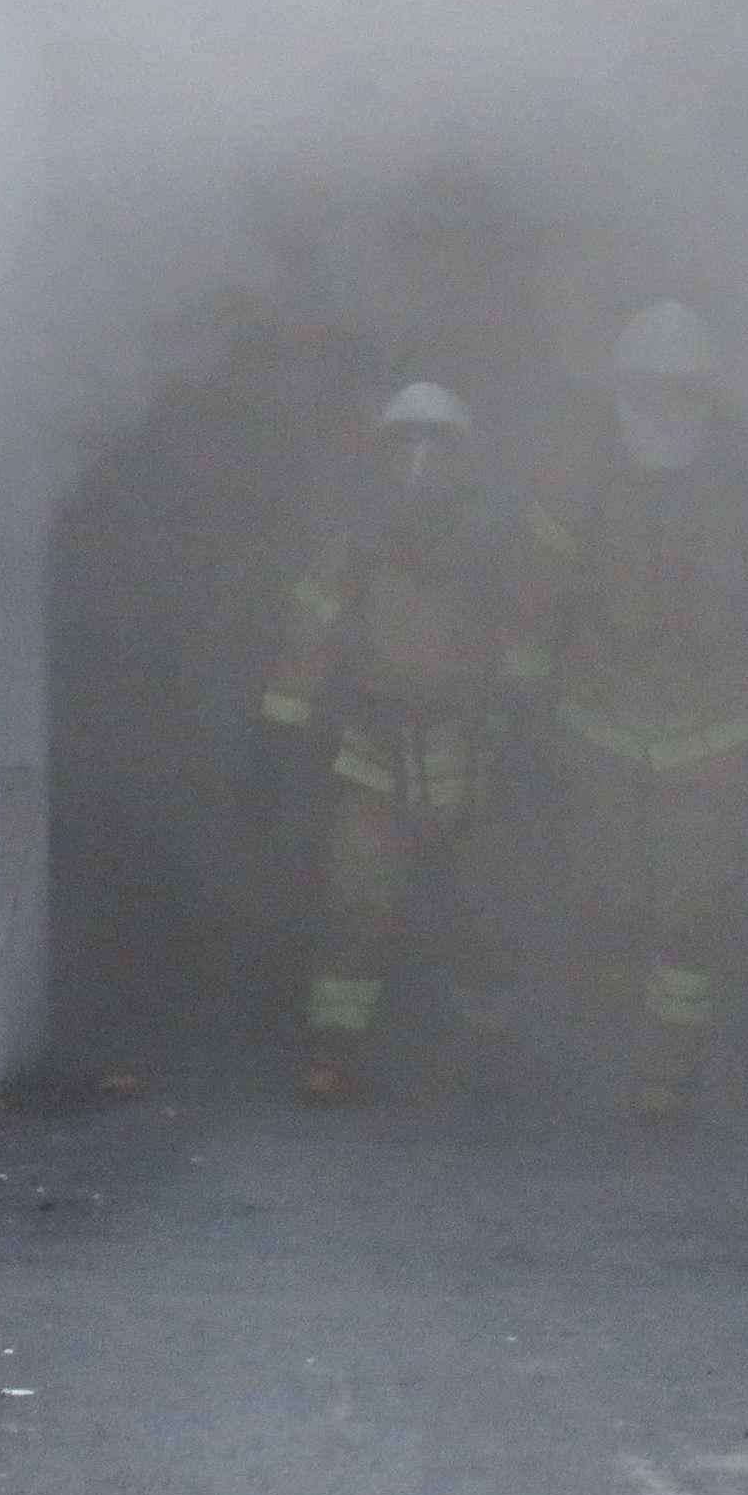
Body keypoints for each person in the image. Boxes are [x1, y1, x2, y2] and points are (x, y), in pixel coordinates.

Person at [501, 303, 748, 1123]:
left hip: (717, 718)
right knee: (606, 895)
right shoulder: (578, 482)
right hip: (598, 714)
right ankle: (612, 1002)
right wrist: (519, 704)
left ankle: (668, 1069)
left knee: (693, 905)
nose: (664, 405)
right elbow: (535, 601)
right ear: (621, 387)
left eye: (681, 389)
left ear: (710, 393)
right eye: (650, 387)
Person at [256, 383, 506, 1103]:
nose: (420, 462)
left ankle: (485, 1057)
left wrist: (525, 740)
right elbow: (304, 646)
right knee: (355, 905)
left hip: (467, 757)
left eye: (438, 447)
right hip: (374, 754)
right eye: (405, 445)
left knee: (480, 914)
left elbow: (527, 647)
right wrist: (275, 739)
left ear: (465, 461)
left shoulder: (490, 556)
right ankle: (333, 1051)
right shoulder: (353, 553)